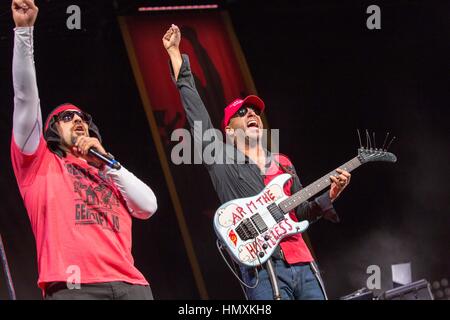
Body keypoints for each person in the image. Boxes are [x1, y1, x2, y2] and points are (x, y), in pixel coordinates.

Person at [163, 24, 351, 300]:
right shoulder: (221, 157)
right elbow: (196, 111)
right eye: (242, 112)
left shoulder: (283, 163)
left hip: (304, 264)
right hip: (264, 268)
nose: (251, 114)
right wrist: (175, 53)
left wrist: (330, 195)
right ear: (228, 129)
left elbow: (299, 213)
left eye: (254, 111)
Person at [10, 0, 157, 300]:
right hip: (74, 288)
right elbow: (26, 99)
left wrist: (108, 164)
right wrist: (24, 32)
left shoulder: (108, 171)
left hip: (132, 286)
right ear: (51, 130)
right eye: (67, 117)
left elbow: (148, 206)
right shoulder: (39, 164)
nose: (77, 120)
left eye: (82, 118)